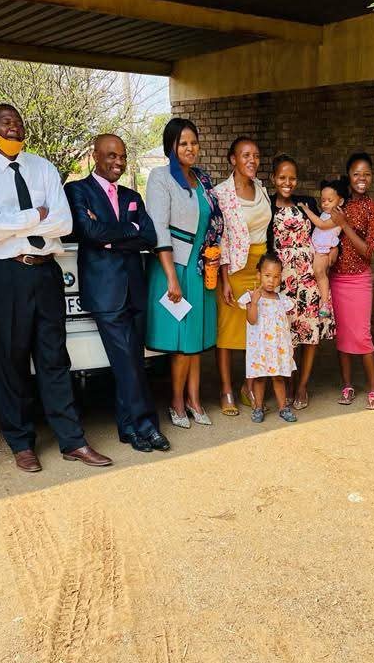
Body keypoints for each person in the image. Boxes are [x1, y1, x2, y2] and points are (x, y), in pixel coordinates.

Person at [0, 104, 111, 472]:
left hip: (46, 273)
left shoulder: (43, 168)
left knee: (54, 359)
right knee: (9, 362)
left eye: (17, 121)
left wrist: (15, 222)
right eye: (5, 122)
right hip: (6, 275)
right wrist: (36, 215)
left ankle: (72, 441)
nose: (13, 127)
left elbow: (63, 223)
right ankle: (21, 443)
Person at [64, 133, 169, 453]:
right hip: (105, 291)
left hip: (135, 288)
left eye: (122, 156)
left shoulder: (131, 195)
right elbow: (89, 231)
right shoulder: (77, 190)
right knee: (126, 361)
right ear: (95, 155)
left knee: (132, 360)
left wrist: (112, 239)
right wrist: (128, 231)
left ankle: (128, 428)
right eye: (111, 155)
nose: (118, 162)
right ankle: (147, 426)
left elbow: (149, 236)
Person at [145, 118, 223, 429]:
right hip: (174, 266)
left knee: (196, 340)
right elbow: (158, 228)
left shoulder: (202, 179)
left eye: (193, 142)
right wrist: (171, 278)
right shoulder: (160, 177)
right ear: (171, 147)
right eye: (183, 143)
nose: (190, 148)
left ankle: (194, 400)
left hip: (201, 267)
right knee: (181, 344)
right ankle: (176, 401)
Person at [268, 154, 335, 410]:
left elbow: (327, 230)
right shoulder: (268, 205)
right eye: (282, 177)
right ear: (273, 178)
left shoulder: (307, 203)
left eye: (292, 178)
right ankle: (288, 381)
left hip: (308, 279)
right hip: (282, 282)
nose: (288, 183)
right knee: (287, 335)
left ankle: (303, 385)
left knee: (309, 334)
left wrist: (332, 253)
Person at [214, 136, 271, 416]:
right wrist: (224, 279)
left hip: (260, 267)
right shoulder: (221, 193)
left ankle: (248, 387)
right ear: (233, 159)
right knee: (227, 331)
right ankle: (226, 389)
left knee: (255, 329)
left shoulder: (261, 188)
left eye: (256, 155)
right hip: (235, 268)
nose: (252, 160)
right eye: (245, 155)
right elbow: (221, 238)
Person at [330, 152, 374, 409]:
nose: (362, 178)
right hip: (337, 278)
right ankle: (348, 386)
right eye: (356, 174)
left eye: (367, 174)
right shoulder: (339, 204)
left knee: (362, 335)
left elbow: (367, 251)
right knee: (342, 335)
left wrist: (344, 224)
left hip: (359, 279)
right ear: (348, 176)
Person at [238, 252, 298, 424]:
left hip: (277, 348)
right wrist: (254, 303)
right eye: (267, 275)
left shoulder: (283, 300)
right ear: (259, 275)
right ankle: (258, 407)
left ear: (280, 278)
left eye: (276, 277)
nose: (271, 280)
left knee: (278, 377)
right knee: (259, 378)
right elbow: (252, 320)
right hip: (260, 349)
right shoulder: (252, 297)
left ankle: (283, 408)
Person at [297, 180, 345, 318]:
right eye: (323, 200)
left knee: (320, 272)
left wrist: (306, 210)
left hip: (323, 250)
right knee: (315, 274)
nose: (325, 203)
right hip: (316, 247)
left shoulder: (338, 215)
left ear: (340, 201)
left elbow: (322, 225)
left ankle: (325, 304)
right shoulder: (326, 213)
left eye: (330, 200)